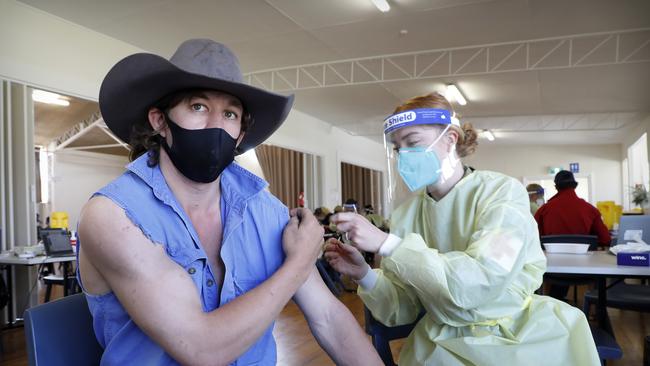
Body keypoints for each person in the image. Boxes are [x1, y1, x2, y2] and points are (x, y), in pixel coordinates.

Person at [77, 39, 381, 365]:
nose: (216, 125)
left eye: (230, 113)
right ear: (160, 121)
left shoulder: (265, 212)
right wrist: (299, 262)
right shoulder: (113, 216)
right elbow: (200, 349)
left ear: (239, 135)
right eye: (198, 107)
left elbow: (330, 319)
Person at [324, 92, 600, 365]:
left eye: (413, 142)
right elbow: (405, 306)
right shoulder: (406, 215)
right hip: (441, 343)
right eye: (397, 148)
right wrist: (363, 274)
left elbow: (485, 276)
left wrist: (389, 245)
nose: (404, 156)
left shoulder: (503, 195)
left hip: (516, 337)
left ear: (450, 139)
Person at [534, 170, 611, 300]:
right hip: (585, 271)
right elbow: (606, 239)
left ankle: (552, 302)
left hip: (551, 271)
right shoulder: (590, 209)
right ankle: (593, 308)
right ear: (575, 186)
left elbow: (533, 239)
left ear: (556, 187)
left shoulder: (544, 210)